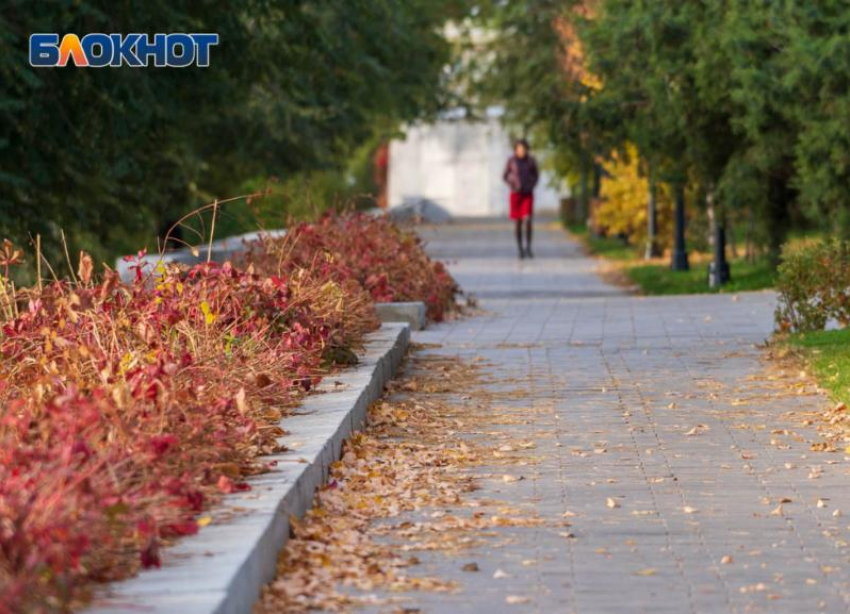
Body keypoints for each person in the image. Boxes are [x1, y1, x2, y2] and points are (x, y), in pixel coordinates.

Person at [502, 139, 539, 259]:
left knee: (527, 219)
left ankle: (528, 247)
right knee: (518, 222)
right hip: (515, 194)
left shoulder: (530, 161)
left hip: (527, 194)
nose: (521, 151)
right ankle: (520, 249)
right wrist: (512, 184)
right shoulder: (511, 161)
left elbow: (536, 175)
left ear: (527, 149)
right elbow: (505, 176)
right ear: (515, 150)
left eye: (523, 149)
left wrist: (531, 185)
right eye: (519, 149)